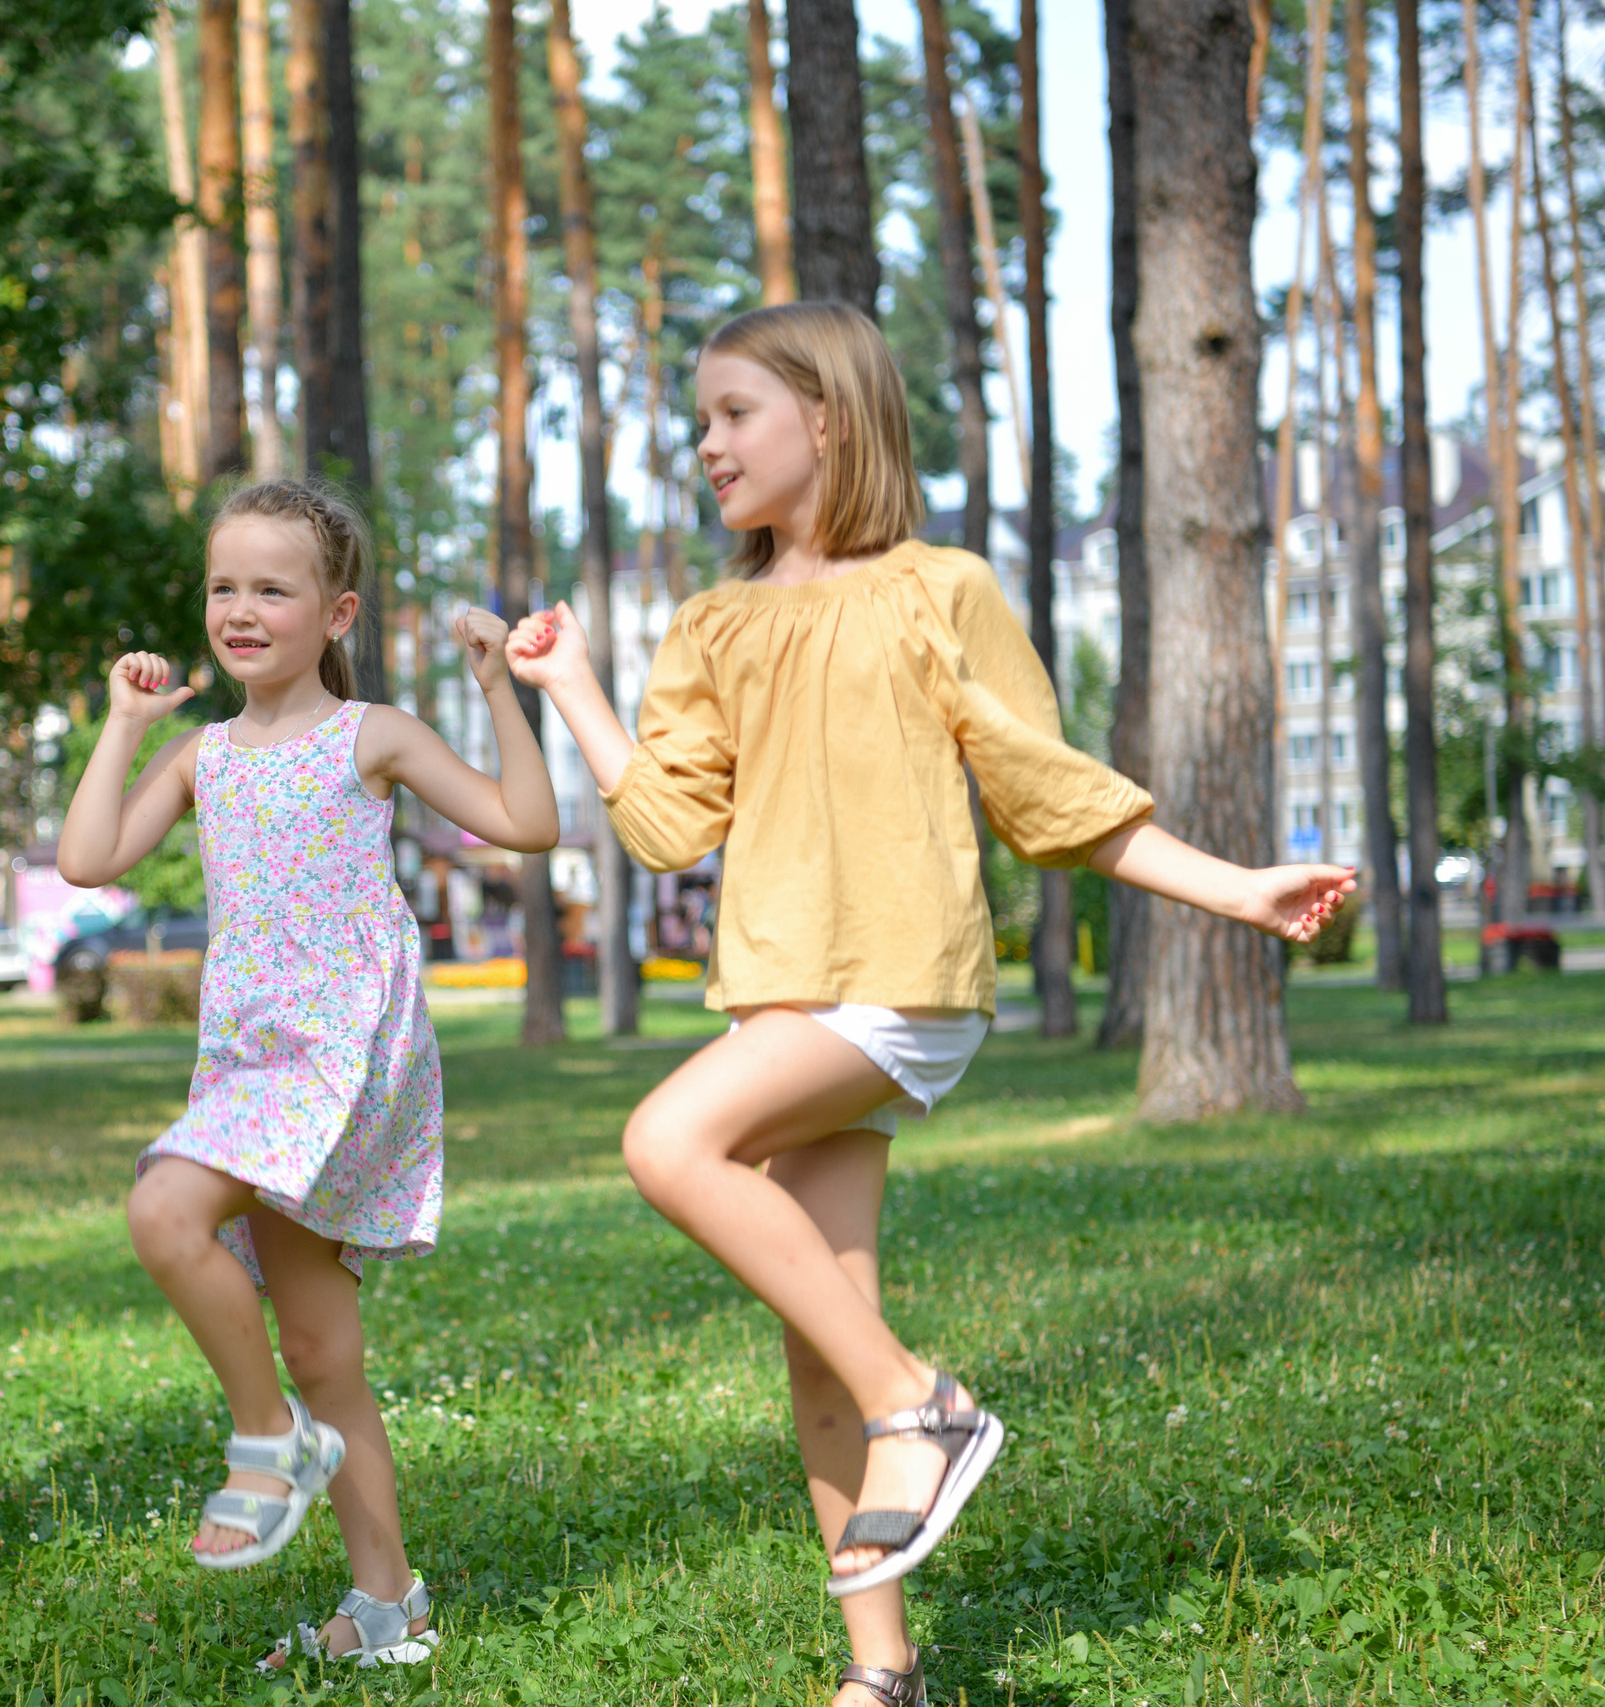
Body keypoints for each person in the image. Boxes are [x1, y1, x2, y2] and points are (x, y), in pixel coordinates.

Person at [505, 302, 1353, 1707]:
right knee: (819, 1335)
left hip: (895, 985)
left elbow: (1049, 791)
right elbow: (663, 823)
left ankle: (933, 1403)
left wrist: (1237, 888)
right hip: (780, 1003)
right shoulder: (714, 619)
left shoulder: (936, 587)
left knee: (667, 1144)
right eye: (701, 418)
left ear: (829, 417)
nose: (704, 442)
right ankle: (880, 1671)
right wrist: (574, 685)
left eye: (734, 413)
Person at [57, 478, 559, 1670]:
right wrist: (125, 723)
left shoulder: (368, 735)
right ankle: (388, 1610)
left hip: (340, 1057)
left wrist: (496, 686)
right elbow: (86, 857)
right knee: (328, 1350)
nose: (239, 609)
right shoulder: (200, 755)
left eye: (270, 589)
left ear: (335, 615)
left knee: (163, 1205)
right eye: (223, 586)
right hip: (248, 1062)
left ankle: (265, 1438)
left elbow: (526, 823)